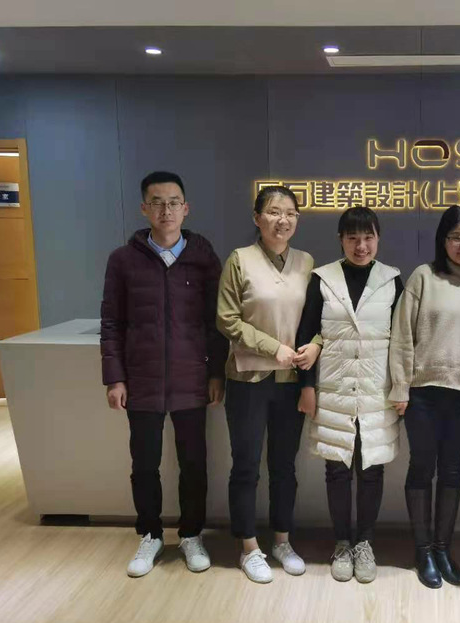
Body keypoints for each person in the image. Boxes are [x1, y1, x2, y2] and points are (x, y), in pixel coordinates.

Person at [100, 170, 227, 578]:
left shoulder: (203, 257)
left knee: (194, 464)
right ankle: (150, 534)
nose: (166, 210)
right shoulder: (123, 260)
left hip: (192, 378)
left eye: (173, 203)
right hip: (142, 380)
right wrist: (115, 377)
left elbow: (217, 322)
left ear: (186, 208)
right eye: (157, 202)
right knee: (144, 464)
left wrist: (217, 373)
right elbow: (112, 323)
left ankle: (191, 534)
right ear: (144, 208)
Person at [295, 207, 403, 583]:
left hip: (376, 392)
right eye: (353, 237)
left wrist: (401, 388)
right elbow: (307, 332)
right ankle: (342, 542)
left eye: (368, 237)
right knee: (337, 470)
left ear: (378, 238)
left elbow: (402, 342)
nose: (361, 245)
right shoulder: (323, 279)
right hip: (333, 390)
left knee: (371, 468)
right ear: (340, 239)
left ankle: (365, 542)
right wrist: (306, 386)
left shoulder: (392, 280)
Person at [389, 205, 460, 589]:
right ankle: (423, 551)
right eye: (455, 237)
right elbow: (402, 335)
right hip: (422, 394)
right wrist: (400, 387)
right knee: (421, 468)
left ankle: (443, 548)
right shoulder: (424, 277)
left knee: (452, 472)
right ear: (443, 240)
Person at [216, 185, 316, 584]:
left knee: (284, 466)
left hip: (291, 382)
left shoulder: (306, 262)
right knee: (246, 466)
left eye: (289, 213)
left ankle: (282, 540)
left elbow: (317, 318)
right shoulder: (239, 260)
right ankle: (248, 547)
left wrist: (315, 345)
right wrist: (273, 347)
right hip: (248, 379)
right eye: (273, 212)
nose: (282, 220)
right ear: (257, 218)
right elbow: (226, 319)